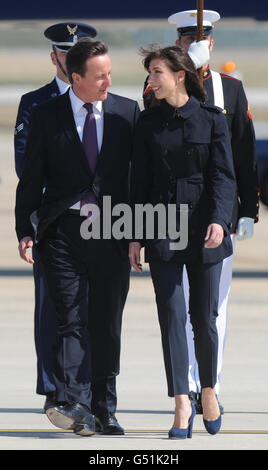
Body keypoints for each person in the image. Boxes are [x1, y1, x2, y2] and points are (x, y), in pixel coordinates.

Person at [15, 39, 140, 436]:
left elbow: (138, 179)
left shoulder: (126, 111)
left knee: (106, 323)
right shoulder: (47, 114)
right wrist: (25, 230)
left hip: (112, 229)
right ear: (76, 78)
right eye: (99, 75)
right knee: (70, 320)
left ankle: (106, 408)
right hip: (63, 232)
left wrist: (139, 234)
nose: (108, 81)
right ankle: (75, 404)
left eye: (109, 73)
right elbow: (32, 177)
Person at [144, 9, 260, 414]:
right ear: (178, 45)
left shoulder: (231, 89)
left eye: (201, 40)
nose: (195, 45)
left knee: (211, 307)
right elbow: (165, 118)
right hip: (172, 215)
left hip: (217, 215)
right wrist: (188, 69)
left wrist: (247, 209)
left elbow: (242, 156)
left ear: (211, 42)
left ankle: (207, 383)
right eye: (186, 41)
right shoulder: (154, 86)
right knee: (179, 303)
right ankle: (188, 386)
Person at [129, 45, 236, 438]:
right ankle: (180, 402)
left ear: (179, 75)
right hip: (161, 226)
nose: (151, 80)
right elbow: (138, 183)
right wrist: (136, 236)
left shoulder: (212, 120)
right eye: (150, 73)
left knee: (203, 318)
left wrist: (220, 221)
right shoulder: (147, 124)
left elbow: (224, 177)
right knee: (171, 316)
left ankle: (208, 390)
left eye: (157, 72)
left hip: (205, 227)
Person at [14, 22, 98, 414]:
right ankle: (53, 388)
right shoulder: (35, 103)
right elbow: (25, 163)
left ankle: (83, 386)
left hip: (97, 219)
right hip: (51, 218)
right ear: (55, 57)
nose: (70, 58)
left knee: (90, 307)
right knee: (52, 306)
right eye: (65, 51)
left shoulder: (102, 96)